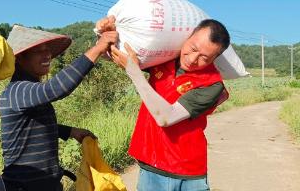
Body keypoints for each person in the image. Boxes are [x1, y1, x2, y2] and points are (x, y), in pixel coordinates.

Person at [97, 17, 230, 191]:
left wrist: (134, 72)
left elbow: (166, 117)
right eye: (192, 48)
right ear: (187, 38)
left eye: (204, 57)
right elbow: (112, 54)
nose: (192, 59)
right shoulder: (162, 58)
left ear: (215, 59)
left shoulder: (212, 85)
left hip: (188, 173)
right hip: (152, 164)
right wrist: (107, 33)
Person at [0, 25, 118, 191]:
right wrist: (97, 49)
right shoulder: (17, 90)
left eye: (47, 50)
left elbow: (33, 125)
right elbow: (55, 89)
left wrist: (69, 131)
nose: (47, 54)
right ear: (19, 58)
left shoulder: (29, 90)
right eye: (38, 51)